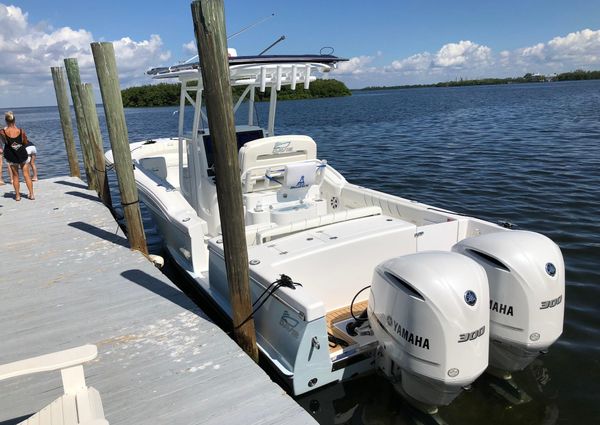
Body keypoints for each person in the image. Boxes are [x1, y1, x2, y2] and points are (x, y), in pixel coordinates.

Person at [1, 111, 34, 201]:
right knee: (26, 175)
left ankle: (18, 196)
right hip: (22, 154)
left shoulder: (3, 132)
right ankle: (31, 194)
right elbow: (25, 142)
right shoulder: (20, 131)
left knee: (15, 176)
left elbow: (5, 142)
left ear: (6, 121)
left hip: (11, 155)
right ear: (14, 120)